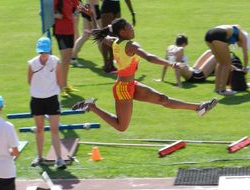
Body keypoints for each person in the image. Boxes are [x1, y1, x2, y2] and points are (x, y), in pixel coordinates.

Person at [71, 17, 218, 132]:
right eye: (129, 27)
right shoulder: (131, 45)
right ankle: (92, 106)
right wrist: (172, 64)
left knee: (163, 99)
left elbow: (100, 34)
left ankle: (199, 108)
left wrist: (91, 15)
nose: (132, 28)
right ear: (122, 32)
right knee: (122, 126)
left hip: (131, 85)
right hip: (123, 89)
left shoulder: (115, 41)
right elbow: (149, 57)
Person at [27, 37, 66, 169]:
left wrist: (53, 92)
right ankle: (39, 157)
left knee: (54, 129)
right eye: (41, 52)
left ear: (49, 50)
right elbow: (29, 81)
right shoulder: (32, 63)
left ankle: (59, 159)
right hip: (37, 99)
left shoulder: (55, 61)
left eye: (45, 51)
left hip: (52, 99)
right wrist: (40, 90)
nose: (43, 55)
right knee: (39, 129)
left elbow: (60, 80)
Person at [205, 24, 250, 96]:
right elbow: (245, 54)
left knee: (220, 62)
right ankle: (223, 90)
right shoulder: (243, 37)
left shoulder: (231, 34)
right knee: (227, 64)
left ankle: (217, 88)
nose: (240, 46)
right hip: (218, 34)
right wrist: (245, 68)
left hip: (208, 35)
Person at [99, 0, 136, 73]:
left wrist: (132, 12)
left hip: (114, 5)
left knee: (114, 35)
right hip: (110, 5)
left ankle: (110, 64)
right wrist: (132, 13)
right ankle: (107, 64)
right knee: (107, 35)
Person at [54, 0, 80, 97]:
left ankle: (65, 84)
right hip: (60, 31)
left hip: (70, 30)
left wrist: (75, 13)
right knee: (64, 59)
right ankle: (60, 87)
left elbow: (78, 7)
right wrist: (56, 16)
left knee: (68, 59)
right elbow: (43, 13)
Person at [0, 94, 19, 190]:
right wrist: (8, 152)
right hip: (6, 171)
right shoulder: (8, 126)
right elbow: (15, 152)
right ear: (1, 108)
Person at [71, 0, 101, 67]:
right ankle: (107, 61)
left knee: (85, 35)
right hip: (93, 8)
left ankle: (73, 56)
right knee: (100, 36)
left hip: (86, 6)